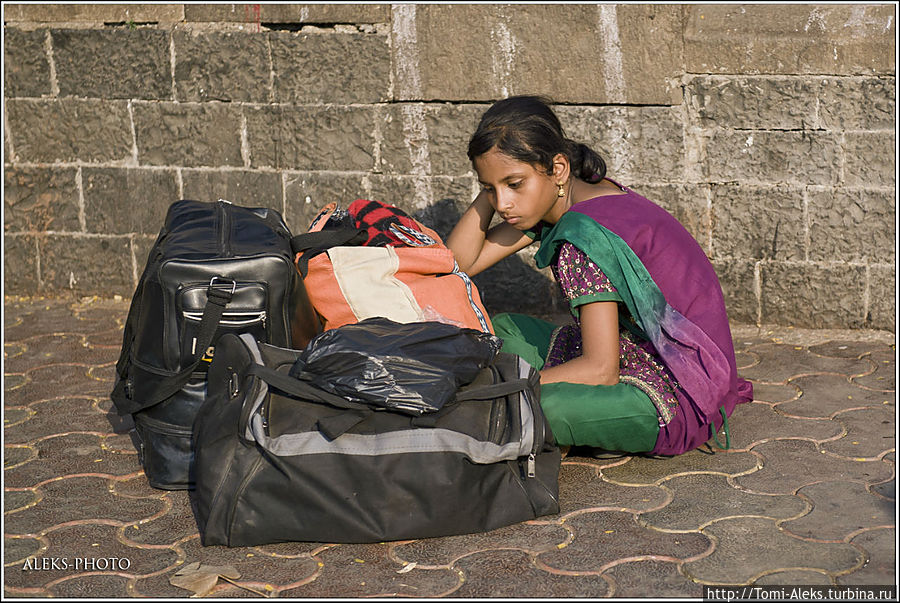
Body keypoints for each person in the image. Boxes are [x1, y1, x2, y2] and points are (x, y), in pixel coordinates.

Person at [446, 96, 753, 456]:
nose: (502, 204)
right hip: (633, 351)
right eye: (489, 189)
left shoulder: (583, 237)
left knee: (543, 406)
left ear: (558, 169)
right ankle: (593, 426)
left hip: (678, 388)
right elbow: (459, 263)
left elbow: (601, 368)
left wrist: (511, 387)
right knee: (507, 328)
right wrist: (497, 184)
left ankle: (601, 426)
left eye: (515, 184)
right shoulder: (581, 194)